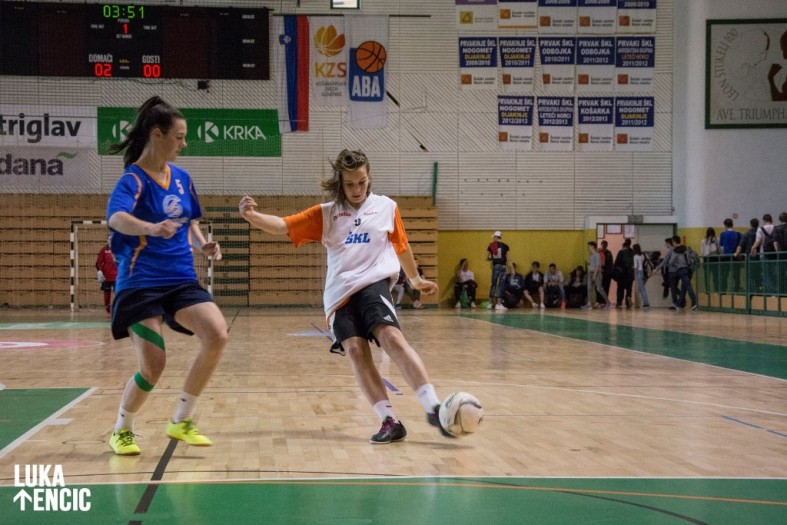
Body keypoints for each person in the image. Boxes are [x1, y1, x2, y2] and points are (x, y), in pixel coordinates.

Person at [238, 149, 452, 444]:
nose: (357, 189)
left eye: (361, 182)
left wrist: (415, 280)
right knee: (355, 351)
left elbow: (401, 246)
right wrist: (251, 216)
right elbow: (283, 225)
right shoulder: (326, 213)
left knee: (392, 337)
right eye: (350, 184)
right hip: (339, 294)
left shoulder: (386, 207)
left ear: (369, 177)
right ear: (340, 182)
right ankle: (389, 421)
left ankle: (433, 407)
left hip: (374, 284)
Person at [105, 96, 228, 456]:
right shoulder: (133, 180)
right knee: (153, 365)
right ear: (157, 135)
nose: (183, 144)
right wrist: (150, 227)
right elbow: (116, 218)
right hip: (140, 283)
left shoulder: (183, 179)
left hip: (180, 279)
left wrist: (203, 245)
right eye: (179, 137)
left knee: (217, 334)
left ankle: (181, 420)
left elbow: (189, 221)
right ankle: (122, 429)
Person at [664, 235, 697, 310]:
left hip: (681, 270)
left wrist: (669, 265)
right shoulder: (686, 248)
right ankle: (680, 304)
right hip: (689, 270)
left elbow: (671, 262)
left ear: (674, 242)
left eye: (672, 242)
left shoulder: (676, 251)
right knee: (685, 288)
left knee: (686, 287)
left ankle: (694, 303)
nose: (672, 243)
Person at [751, 213, 777, 293]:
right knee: (774, 272)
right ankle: (776, 289)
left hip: (764, 254)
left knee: (766, 273)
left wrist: (753, 248)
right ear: (771, 220)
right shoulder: (775, 228)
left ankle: (770, 291)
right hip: (774, 254)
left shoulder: (760, 229)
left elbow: (758, 240)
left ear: (764, 220)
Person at [486, 231, 510, 310]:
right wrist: (509, 267)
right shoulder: (506, 246)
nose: (493, 238)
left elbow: (487, 258)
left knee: (493, 284)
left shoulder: (491, 246)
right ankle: (499, 304)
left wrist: (492, 259)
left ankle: (490, 303)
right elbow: (508, 258)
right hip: (503, 266)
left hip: (495, 266)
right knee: (501, 285)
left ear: (496, 237)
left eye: (494, 237)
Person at [582, 242, 610, 309]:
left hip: (597, 274)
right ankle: (589, 304)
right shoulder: (591, 255)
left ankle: (608, 302)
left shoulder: (597, 255)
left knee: (599, 289)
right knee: (589, 288)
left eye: (589, 246)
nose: (588, 247)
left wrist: (594, 275)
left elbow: (597, 266)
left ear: (592, 247)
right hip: (590, 273)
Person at [96, 238, 118, 318]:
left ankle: (117, 310)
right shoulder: (104, 250)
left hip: (117, 277)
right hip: (106, 277)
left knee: (117, 294)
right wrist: (99, 271)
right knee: (106, 294)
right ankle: (108, 311)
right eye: (109, 239)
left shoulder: (119, 249)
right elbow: (98, 262)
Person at [719, 218, 742, 293]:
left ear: (725, 225)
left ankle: (723, 290)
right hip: (735, 256)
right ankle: (736, 290)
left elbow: (721, 244)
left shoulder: (723, 234)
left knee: (724, 275)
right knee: (736, 275)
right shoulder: (737, 234)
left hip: (726, 257)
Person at [613, 239, 635, 308]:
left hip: (621, 274)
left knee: (620, 289)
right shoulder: (633, 252)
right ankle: (628, 302)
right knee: (629, 288)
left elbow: (616, 263)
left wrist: (618, 270)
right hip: (630, 274)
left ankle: (619, 302)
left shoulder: (621, 252)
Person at [700, 227, 721, 293]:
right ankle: (714, 290)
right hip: (712, 259)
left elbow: (703, 253)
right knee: (714, 276)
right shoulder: (704, 241)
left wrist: (715, 242)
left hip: (710, 259)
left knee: (711, 276)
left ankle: (709, 290)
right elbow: (704, 253)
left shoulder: (716, 240)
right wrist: (708, 243)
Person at [632, 244, 651, 308]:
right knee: (642, 288)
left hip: (639, 272)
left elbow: (636, 266)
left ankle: (646, 303)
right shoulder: (643, 255)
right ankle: (645, 302)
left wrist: (634, 270)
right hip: (644, 272)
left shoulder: (635, 256)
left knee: (642, 289)